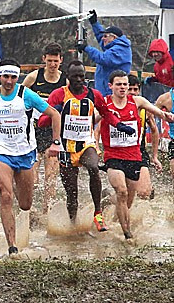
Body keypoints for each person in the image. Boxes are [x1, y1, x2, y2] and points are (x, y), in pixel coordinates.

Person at [0, 60, 62, 255]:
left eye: (13, 77)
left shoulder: (26, 95)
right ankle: (12, 246)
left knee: (25, 203)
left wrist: (56, 142)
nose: (9, 81)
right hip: (2, 151)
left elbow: (54, 114)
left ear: (17, 78)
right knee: (6, 195)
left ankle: (25, 226)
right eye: (5, 77)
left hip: (25, 152)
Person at [46, 60, 128, 229]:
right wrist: (56, 111)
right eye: (75, 76)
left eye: (82, 76)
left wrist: (119, 125)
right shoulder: (58, 95)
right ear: (67, 77)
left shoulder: (94, 94)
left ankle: (98, 213)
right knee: (72, 193)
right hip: (66, 147)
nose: (79, 80)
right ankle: (73, 225)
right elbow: (42, 121)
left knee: (93, 166)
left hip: (86, 143)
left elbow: (106, 113)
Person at [102, 70, 174, 240]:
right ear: (111, 86)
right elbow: (93, 121)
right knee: (122, 191)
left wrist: (167, 116)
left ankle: (110, 204)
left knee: (132, 196)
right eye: (119, 84)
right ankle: (127, 234)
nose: (124, 88)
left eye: (125, 85)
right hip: (113, 155)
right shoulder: (105, 104)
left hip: (135, 154)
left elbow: (157, 120)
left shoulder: (138, 102)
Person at [23, 43, 67, 212]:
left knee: (51, 176)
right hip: (33, 131)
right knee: (32, 179)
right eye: (49, 61)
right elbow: (20, 98)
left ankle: (46, 211)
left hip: (54, 132)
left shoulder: (65, 81)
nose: (52, 64)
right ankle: (29, 210)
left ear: (61, 60)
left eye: (56, 61)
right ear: (44, 59)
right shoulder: (34, 77)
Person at [79, 10, 132, 96]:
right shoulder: (113, 45)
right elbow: (101, 38)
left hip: (112, 93)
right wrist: (94, 23)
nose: (103, 39)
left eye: (105, 36)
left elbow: (103, 58)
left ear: (114, 37)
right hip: (105, 91)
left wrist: (86, 48)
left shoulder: (121, 50)